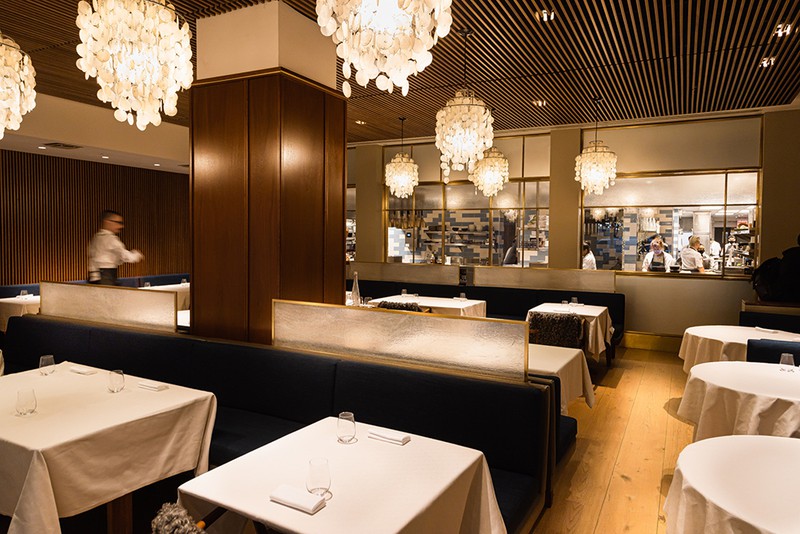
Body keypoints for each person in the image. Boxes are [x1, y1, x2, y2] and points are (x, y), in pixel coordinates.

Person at [88, 210, 143, 285]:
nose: (121, 226)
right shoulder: (110, 239)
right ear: (107, 222)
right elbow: (126, 256)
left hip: (94, 277)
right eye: (118, 223)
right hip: (106, 277)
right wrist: (137, 254)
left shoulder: (96, 238)